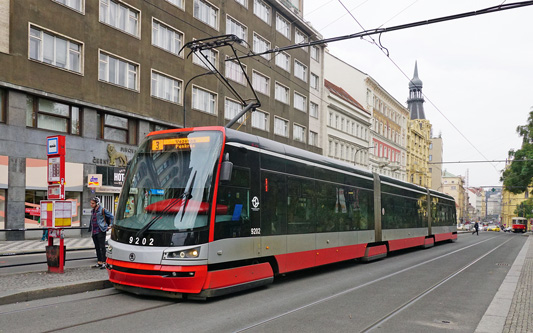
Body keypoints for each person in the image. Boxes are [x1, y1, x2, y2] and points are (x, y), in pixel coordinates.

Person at [88, 197, 114, 269]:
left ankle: (104, 262)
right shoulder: (93, 211)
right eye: (91, 203)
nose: (91, 204)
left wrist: (110, 226)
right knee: (97, 247)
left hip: (100, 230)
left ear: (97, 203)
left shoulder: (102, 210)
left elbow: (112, 216)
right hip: (94, 231)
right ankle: (99, 262)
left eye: (93, 203)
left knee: (102, 247)